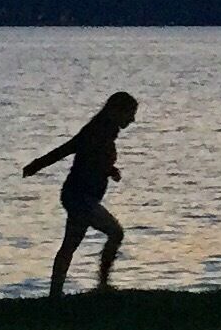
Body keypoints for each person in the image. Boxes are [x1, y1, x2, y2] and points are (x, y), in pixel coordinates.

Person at [25, 90, 139, 299]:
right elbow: (69, 149)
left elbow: (89, 158)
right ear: (117, 111)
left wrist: (109, 170)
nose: (132, 119)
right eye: (129, 114)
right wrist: (37, 165)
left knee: (70, 244)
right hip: (80, 196)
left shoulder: (103, 130)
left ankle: (55, 294)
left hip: (80, 195)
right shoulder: (98, 131)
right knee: (115, 233)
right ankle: (102, 285)